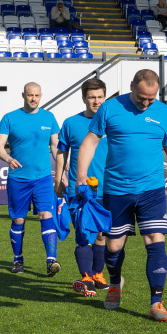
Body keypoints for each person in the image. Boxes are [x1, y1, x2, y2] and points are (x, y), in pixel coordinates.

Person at [75, 69, 167, 322]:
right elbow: (90, 141)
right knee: (113, 245)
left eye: (151, 99)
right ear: (131, 86)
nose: (145, 103)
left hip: (151, 190)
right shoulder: (109, 108)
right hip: (116, 191)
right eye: (141, 97)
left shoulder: (164, 112)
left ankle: (156, 302)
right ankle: (114, 284)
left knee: (155, 240)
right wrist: (81, 176)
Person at [0, 82, 61, 275]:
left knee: (46, 215)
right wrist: (7, 158)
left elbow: (55, 145)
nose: (34, 99)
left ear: (41, 96)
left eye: (37, 96)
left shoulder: (49, 117)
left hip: (42, 178)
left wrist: (62, 168)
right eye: (30, 95)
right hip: (18, 178)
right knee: (18, 220)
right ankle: (18, 260)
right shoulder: (10, 118)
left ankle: (51, 261)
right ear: (23, 95)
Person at [55, 78, 111, 296]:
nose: (96, 101)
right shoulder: (70, 123)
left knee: (102, 234)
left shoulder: (112, 122)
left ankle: (97, 274)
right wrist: (59, 179)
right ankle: (86, 277)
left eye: (99, 97)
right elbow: (62, 153)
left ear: (105, 98)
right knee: (83, 234)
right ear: (84, 98)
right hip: (79, 190)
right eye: (91, 97)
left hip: (109, 187)